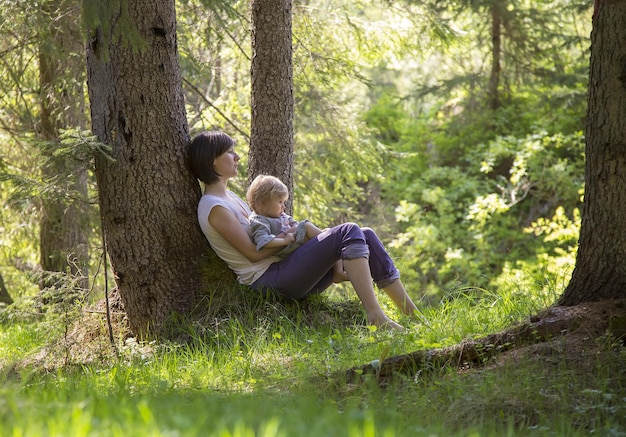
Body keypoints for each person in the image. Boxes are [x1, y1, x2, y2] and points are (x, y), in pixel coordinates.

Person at [188, 130, 419, 330]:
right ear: (212, 161)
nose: (237, 156)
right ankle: (375, 315)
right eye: (229, 152)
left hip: (285, 270)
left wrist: (297, 235)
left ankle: (413, 316)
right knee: (347, 231)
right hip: (269, 282)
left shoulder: (228, 197)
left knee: (364, 234)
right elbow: (253, 253)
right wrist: (293, 237)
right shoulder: (213, 207)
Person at [246, 174, 321, 258]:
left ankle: (337, 267)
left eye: (283, 202)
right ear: (263, 203)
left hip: (293, 244)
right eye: (280, 202)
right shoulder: (259, 220)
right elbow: (263, 241)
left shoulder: (279, 215)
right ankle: (328, 240)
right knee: (306, 225)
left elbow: (294, 223)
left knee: (315, 235)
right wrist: (284, 241)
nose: (283, 206)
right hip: (284, 249)